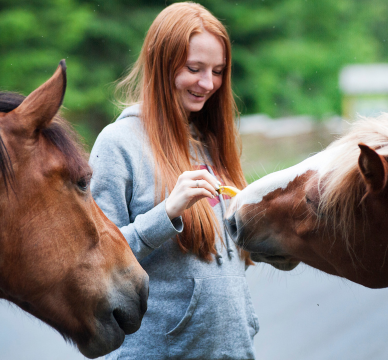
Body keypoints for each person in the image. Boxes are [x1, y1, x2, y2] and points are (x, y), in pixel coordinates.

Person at [89, 2, 259, 359]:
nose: (208, 83)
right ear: (162, 62)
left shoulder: (212, 142)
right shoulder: (118, 143)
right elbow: (95, 263)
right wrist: (166, 213)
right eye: (194, 68)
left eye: (217, 71)